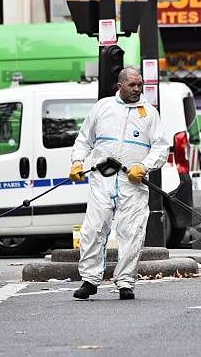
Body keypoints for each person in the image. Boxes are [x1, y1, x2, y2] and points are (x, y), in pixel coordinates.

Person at [69, 67, 169, 300]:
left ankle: (125, 283)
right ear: (120, 85)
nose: (137, 89)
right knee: (93, 229)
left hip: (131, 183)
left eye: (140, 85)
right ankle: (90, 280)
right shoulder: (102, 108)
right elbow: (84, 140)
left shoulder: (149, 113)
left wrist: (144, 166)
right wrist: (77, 163)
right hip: (102, 180)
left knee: (131, 232)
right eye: (132, 85)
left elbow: (161, 146)